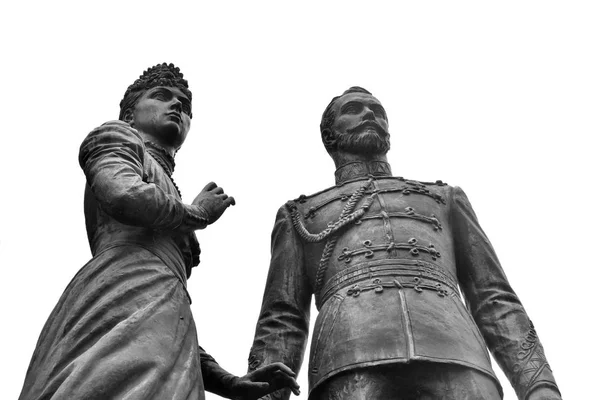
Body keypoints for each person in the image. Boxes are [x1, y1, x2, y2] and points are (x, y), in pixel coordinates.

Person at [248, 87, 561, 399]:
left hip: (458, 355)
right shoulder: (299, 216)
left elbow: (493, 297)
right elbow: (282, 320)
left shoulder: (445, 199)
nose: (370, 114)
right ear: (329, 136)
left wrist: (538, 383)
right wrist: (263, 395)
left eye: (378, 111)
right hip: (349, 360)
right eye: (354, 109)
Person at [19, 63, 299, 400]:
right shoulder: (115, 137)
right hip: (117, 291)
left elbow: (168, 316)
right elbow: (122, 195)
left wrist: (228, 382)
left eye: (185, 105)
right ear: (130, 114)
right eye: (162, 96)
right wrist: (196, 213)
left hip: (166, 321)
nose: (178, 106)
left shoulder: (169, 193)